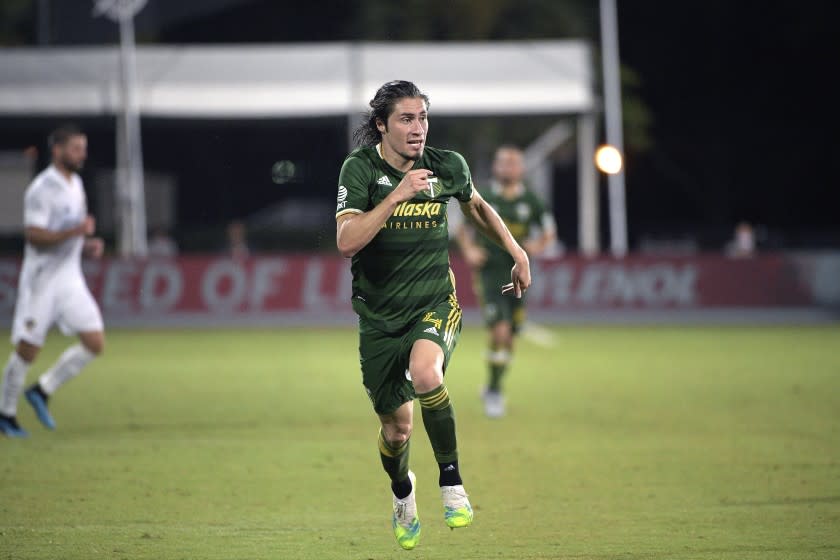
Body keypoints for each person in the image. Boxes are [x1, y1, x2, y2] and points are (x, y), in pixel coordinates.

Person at [335, 80, 531, 550]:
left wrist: (515, 249)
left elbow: (477, 206)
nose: (418, 128)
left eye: (422, 118)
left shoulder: (447, 165)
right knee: (395, 428)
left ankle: (453, 483)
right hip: (380, 318)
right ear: (382, 125)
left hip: (434, 302)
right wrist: (396, 196)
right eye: (406, 119)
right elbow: (346, 242)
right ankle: (403, 494)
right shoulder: (359, 170)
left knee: (427, 374)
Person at [0, 124, 106, 438]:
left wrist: (86, 245)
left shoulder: (76, 184)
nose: (82, 154)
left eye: (83, 148)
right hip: (42, 281)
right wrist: (76, 233)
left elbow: (67, 233)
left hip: (69, 278)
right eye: (75, 148)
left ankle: (42, 390)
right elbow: (34, 235)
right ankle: (5, 414)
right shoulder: (42, 188)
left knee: (94, 343)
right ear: (57, 150)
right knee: (27, 350)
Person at [454, 145, 557, 418]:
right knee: (499, 331)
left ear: (521, 169)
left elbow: (549, 232)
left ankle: (491, 386)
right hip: (490, 274)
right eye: (503, 163)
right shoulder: (484, 196)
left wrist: (536, 246)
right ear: (496, 168)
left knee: (510, 338)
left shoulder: (532, 202)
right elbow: (461, 228)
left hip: (520, 276)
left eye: (514, 164)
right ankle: (496, 393)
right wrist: (469, 250)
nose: (508, 168)